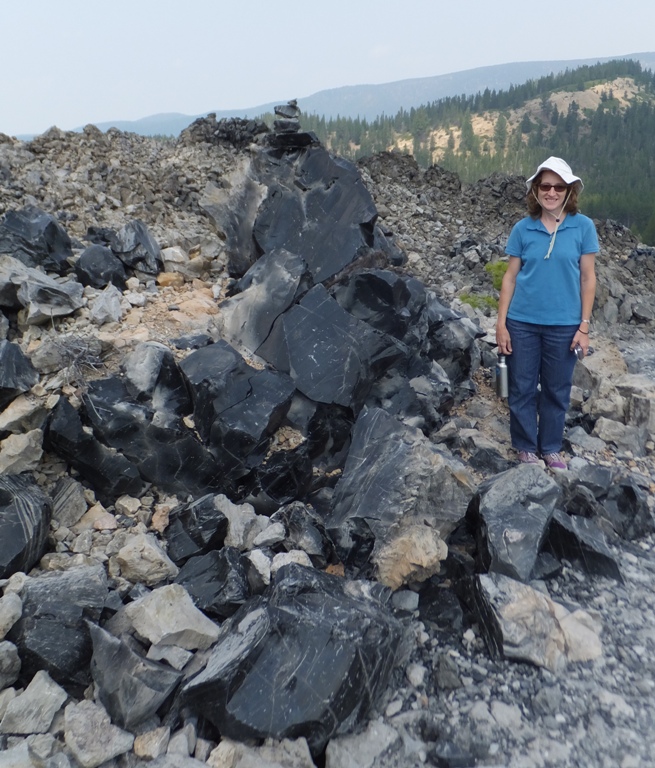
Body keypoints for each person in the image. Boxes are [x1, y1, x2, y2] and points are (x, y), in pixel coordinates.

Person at [495, 157, 599, 470]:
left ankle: (551, 447)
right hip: (522, 322)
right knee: (522, 388)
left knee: (557, 389)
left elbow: (588, 277)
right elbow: (510, 277)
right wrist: (500, 324)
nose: (551, 192)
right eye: (545, 186)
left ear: (569, 191)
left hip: (565, 326)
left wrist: (584, 326)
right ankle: (526, 447)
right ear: (536, 190)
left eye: (558, 186)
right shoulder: (522, 229)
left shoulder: (583, 227)